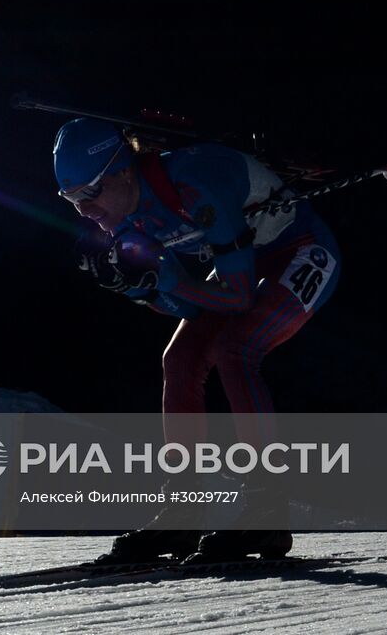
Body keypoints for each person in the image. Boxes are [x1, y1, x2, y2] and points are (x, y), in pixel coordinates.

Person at [52, 116, 340, 564]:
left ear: (123, 170)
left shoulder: (196, 182)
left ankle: (267, 509)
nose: (85, 209)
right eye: (71, 199)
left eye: (90, 192)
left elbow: (238, 298)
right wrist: (140, 289)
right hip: (244, 264)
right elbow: (187, 307)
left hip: (300, 249)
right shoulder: (127, 220)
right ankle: (183, 510)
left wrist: (165, 279)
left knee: (236, 349)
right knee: (179, 358)